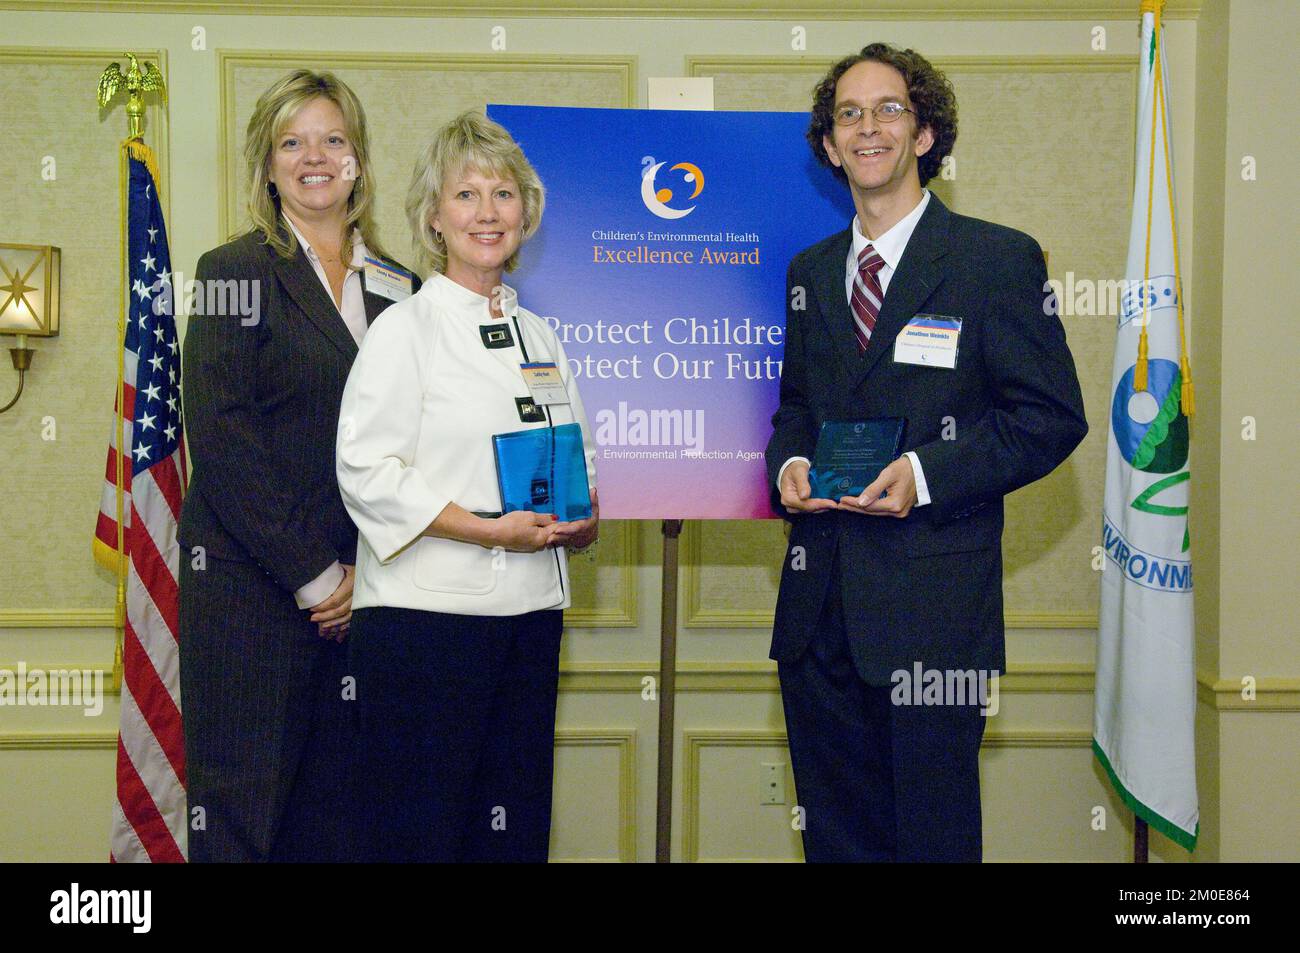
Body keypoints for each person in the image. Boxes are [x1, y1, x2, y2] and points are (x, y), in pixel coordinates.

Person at [767, 43, 1088, 862]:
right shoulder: (810, 272)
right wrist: (788, 465)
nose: (867, 126)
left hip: (934, 626)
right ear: (829, 145)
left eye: (889, 109)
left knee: (934, 845)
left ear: (925, 134)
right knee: (835, 846)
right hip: (818, 621)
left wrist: (923, 474)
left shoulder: (994, 260)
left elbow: (1050, 417)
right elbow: (797, 407)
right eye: (848, 113)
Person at [336, 110, 598, 863]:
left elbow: (570, 460)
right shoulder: (405, 329)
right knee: (422, 838)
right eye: (467, 194)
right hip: (426, 627)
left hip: (528, 620)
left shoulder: (540, 336)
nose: (488, 212)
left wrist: (580, 516)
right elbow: (367, 472)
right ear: (433, 218)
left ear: (528, 211)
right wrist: (489, 530)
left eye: (504, 194)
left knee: (512, 834)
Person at [178, 69, 418, 862]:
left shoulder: (401, 289)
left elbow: (416, 444)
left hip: (373, 603)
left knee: (344, 829)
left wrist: (367, 578)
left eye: (333, 139)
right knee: (246, 826)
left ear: (358, 159)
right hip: (255, 600)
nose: (314, 157)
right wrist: (319, 578)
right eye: (292, 141)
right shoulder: (230, 273)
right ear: (267, 163)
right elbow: (222, 439)